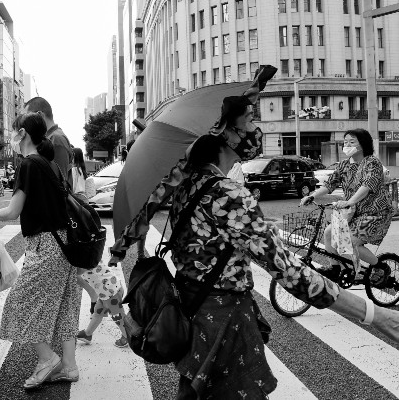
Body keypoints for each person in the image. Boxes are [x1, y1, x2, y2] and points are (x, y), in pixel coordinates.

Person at [111, 96, 399, 399]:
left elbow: (208, 242)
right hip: (224, 323)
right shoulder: (228, 193)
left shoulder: (189, 185)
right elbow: (292, 274)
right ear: (223, 131)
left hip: (196, 314)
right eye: (249, 120)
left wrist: (255, 234)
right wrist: (375, 316)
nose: (255, 129)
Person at [0, 112, 81, 389]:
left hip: (46, 246)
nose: (10, 137)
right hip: (66, 244)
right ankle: (69, 368)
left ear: (21, 133)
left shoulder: (29, 164)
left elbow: (12, 212)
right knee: (66, 307)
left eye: (12, 132)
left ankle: (49, 360)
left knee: (19, 303)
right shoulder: (51, 164)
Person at [301, 128, 394, 282]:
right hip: (353, 212)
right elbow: (330, 184)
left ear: (363, 144)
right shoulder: (344, 164)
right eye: (345, 142)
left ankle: (381, 266)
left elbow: (367, 185)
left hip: (376, 213)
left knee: (351, 241)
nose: (347, 145)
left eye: (352, 142)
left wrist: (350, 201)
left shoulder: (372, 162)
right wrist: (311, 196)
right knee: (329, 233)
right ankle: (335, 268)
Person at [24, 97, 74, 187]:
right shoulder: (49, 138)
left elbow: (58, 183)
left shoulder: (56, 139)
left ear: (39, 115)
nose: (25, 123)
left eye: (28, 117)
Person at [76, 262, 128, 348]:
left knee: (118, 316)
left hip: (110, 292)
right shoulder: (90, 253)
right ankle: (87, 334)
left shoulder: (86, 259)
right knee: (98, 313)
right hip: (106, 291)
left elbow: (78, 271)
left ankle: (127, 336)